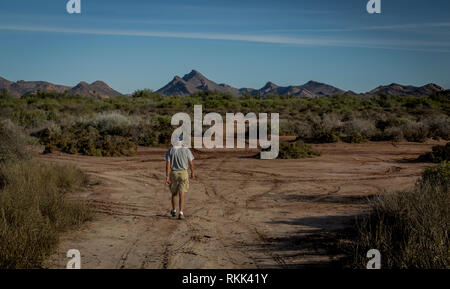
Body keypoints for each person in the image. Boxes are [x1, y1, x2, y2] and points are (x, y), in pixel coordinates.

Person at [165, 134, 195, 219]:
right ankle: (181, 213)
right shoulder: (186, 150)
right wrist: (192, 172)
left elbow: (168, 164)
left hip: (173, 173)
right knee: (182, 193)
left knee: (174, 193)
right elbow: (191, 163)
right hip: (183, 173)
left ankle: (174, 210)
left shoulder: (171, 150)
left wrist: (167, 176)